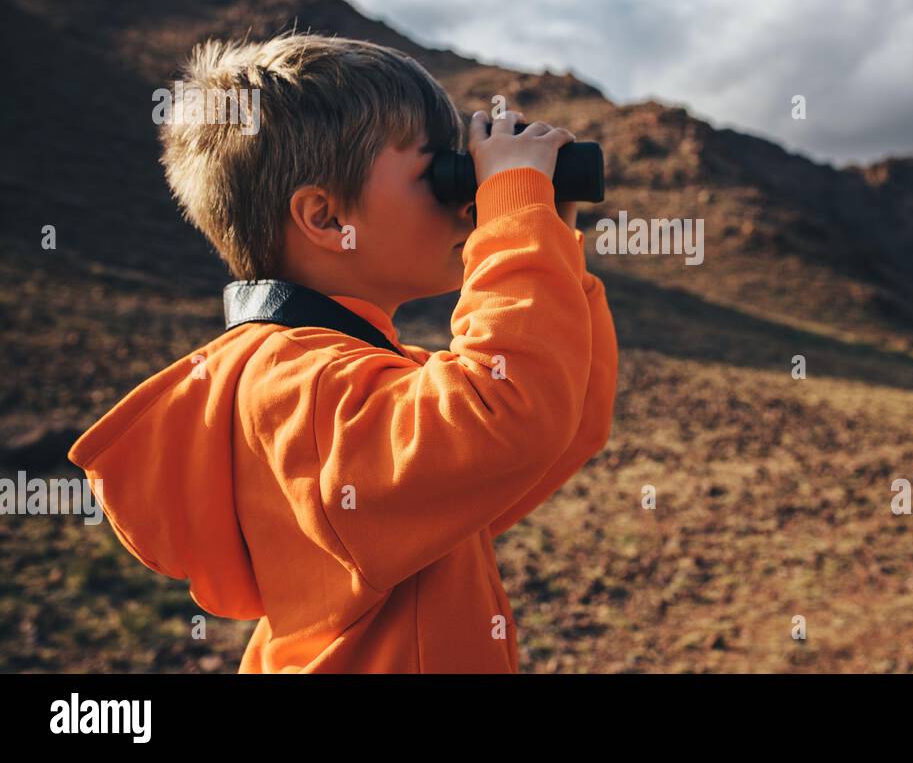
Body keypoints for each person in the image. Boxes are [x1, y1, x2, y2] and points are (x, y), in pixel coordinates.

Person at [67, 33, 618, 672]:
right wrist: (512, 209)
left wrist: (551, 236)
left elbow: (563, 423)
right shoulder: (299, 387)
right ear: (327, 220)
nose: (464, 194)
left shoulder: (353, 375)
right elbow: (508, 417)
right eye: (435, 170)